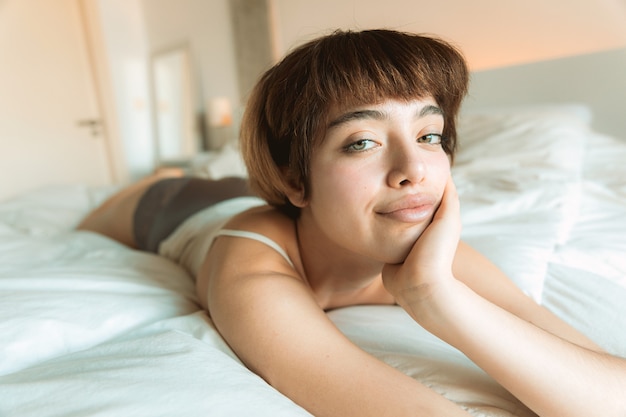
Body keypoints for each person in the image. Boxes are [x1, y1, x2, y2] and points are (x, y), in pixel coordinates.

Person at [78, 29, 626, 417]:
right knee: (138, 196)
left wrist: (438, 296)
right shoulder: (248, 266)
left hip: (295, 204)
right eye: (361, 142)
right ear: (295, 180)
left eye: (429, 135)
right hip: (183, 205)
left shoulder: (439, 253)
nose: (413, 171)